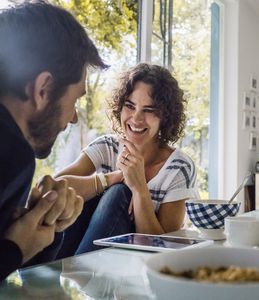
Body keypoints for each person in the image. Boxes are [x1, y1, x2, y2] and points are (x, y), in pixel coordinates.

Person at [0, 1, 106, 281]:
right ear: (43, 89)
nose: (72, 118)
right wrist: (15, 248)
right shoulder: (12, 153)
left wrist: (41, 230)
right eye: (75, 100)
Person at [56, 63, 199, 257]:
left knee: (118, 194)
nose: (136, 118)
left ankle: (77, 277)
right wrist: (115, 177)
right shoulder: (107, 147)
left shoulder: (178, 167)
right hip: (77, 251)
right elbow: (52, 189)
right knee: (93, 193)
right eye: (130, 106)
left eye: (149, 110)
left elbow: (162, 249)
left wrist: (139, 188)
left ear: (164, 117)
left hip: (136, 266)